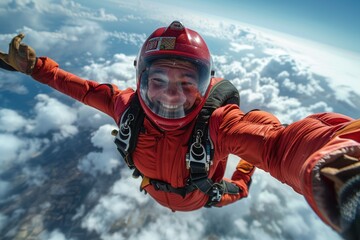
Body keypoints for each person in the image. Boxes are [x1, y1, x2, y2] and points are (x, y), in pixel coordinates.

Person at [0, 20, 359, 239]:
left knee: (241, 186)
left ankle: (244, 170)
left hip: (203, 196)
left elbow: (283, 145)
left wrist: (340, 160)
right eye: (158, 79)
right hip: (159, 190)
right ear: (141, 79)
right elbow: (80, 87)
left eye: (187, 82)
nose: (171, 94)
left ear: (205, 86)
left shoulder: (220, 124)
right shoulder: (127, 109)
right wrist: (37, 68)